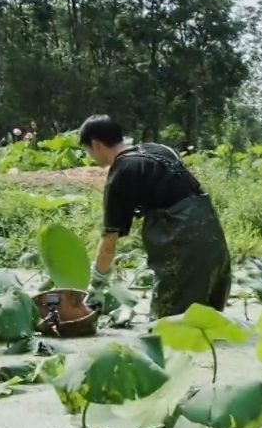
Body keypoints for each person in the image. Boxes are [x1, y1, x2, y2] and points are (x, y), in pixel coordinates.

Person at [78, 114, 232, 320]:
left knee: (167, 326)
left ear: (95, 145)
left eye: (87, 150)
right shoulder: (158, 150)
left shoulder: (121, 174)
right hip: (213, 238)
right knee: (207, 324)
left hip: (184, 246)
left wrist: (96, 288)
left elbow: (109, 241)